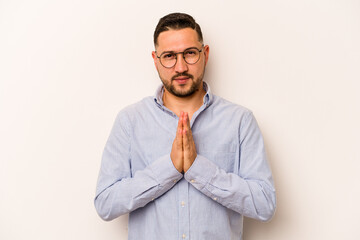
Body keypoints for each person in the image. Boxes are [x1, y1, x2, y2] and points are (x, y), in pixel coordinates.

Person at [94, 12, 276, 240]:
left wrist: (198, 169)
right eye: (169, 56)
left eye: (190, 54)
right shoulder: (130, 121)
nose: (180, 67)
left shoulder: (239, 120)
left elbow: (265, 203)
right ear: (155, 59)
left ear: (205, 54)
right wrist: (169, 168)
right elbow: (105, 203)